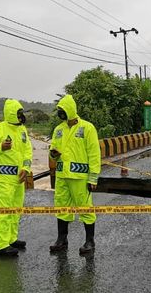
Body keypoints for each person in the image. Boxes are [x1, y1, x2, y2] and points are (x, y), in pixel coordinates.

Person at [49, 94, 101, 255]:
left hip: (80, 177)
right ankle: (62, 239)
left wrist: (93, 177)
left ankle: (89, 241)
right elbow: (53, 152)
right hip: (62, 176)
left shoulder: (87, 128)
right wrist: (53, 154)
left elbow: (94, 153)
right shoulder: (58, 129)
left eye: (63, 110)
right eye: (59, 110)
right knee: (61, 206)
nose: (61, 113)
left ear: (71, 110)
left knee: (85, 208)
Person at [0, 99, 32, 257]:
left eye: (22, 113)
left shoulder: (22, 130)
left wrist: (26, 168)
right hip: (3, 179)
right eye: (19, 113)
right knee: (3, 212)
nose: (21, 116)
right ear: (11, 113)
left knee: (16, 210)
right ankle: (0, 245)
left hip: (18, 179)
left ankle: (11, 239)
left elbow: (27, 152)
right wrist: (0, 147)